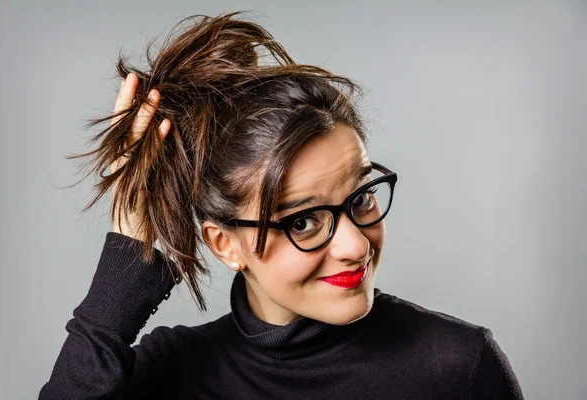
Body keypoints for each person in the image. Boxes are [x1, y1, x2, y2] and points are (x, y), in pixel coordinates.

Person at [39, 10, 524, 399]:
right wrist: (122, 273)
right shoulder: (167, 373)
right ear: (225, 244)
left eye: (361, 198)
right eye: (306, 221)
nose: (356, 245)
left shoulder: (458, 366)